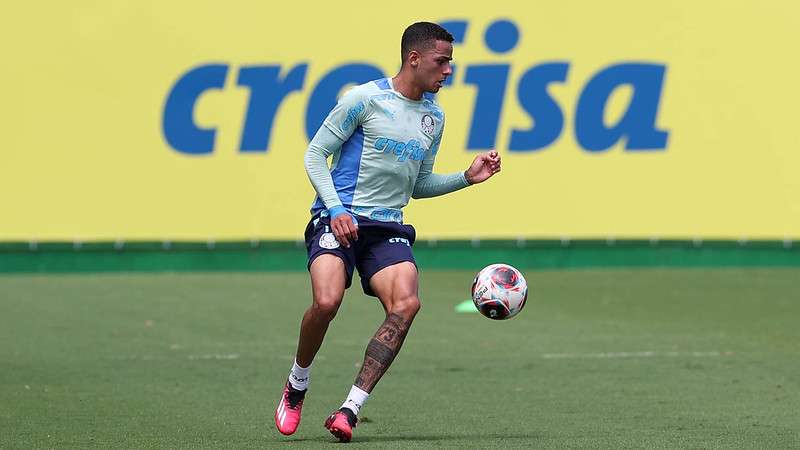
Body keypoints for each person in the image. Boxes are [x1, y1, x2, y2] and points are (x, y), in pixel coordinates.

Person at [274, 21, 501, 443]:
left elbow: (418, 186)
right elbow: (315, 154)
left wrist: (467, 177)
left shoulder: (434, 116)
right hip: (337, 218)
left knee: (407, 304)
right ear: (413, 59)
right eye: (442, 61)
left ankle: (349, 409)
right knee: (326, 302)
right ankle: (297, 383)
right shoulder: (364, 99)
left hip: (387, 227)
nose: (449, 70)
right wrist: (337, 208)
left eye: (450, 61)